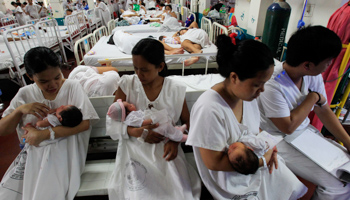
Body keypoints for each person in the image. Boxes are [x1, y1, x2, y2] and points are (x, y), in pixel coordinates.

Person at [186, 35, 307, 199]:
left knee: (289, 185)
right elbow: (213, 162)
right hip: (230, 176)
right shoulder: (209, 109)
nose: (262, 90)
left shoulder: (246, 96)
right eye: (257, 84)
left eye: (264, 83)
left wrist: (268, 143)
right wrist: (261, 161)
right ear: (234, 77)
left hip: (254, 158)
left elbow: (252, 126)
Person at [257, 26, 350, 199]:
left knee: (347, 169)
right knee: (337, 184)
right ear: (307, 64)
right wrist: (313, 97)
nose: (329, 65)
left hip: (304, 135)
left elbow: (325, 111)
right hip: (277, 139)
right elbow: (288, 127)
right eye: (328, 61)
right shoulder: (272, 84)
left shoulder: (312, 74)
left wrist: (347, 141)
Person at [107, 38, 201, 199]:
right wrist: (137, 132)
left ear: (160, 66)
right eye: (135, 68)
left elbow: (188, 122)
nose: (138, 74)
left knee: (175, 192)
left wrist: (175, 141)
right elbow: (111, 122)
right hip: (134, 148)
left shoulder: (174, 89)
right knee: (137, 192)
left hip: (165, 148)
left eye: (144, 69)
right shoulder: (127, 85)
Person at [0, 47, 99, 199]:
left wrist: (46, 134)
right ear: (30, 76)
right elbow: (3, 130)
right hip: (33, 155)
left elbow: (85, 124)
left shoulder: (72, 87)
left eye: (57, 77)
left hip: (65, 152)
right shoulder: (25, 94)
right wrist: (19, 110)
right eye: (44, 81)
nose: (53, 85)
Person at [107, 99, 188, 142]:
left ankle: (177, 130)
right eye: (129, 105)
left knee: (167, 126)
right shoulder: (131, 117)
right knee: (165, 127)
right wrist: (152, 120)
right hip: (149, 129)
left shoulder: (131, 115)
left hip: (151, 127)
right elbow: (141, 122)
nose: (131, 104)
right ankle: (180, 136)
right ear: (127, 113)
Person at [113, 30, 184, 55]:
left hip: (126, 49)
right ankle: (170, 50)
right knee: (154, 42)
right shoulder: (119, 31)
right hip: (129, 40)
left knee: (146, 48)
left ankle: (168, 52)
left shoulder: (116, 37)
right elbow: (129, 35)